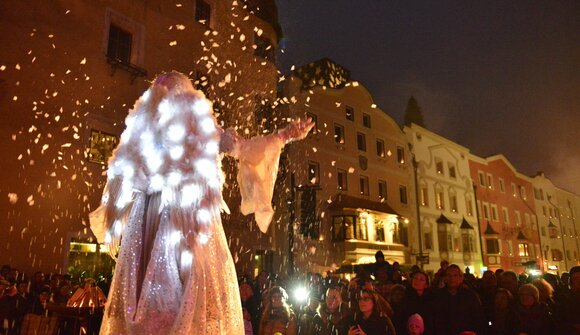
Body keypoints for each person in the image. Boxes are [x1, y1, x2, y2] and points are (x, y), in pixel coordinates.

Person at [89, 72, 314, 335]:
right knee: (162, 291)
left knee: (187, 286)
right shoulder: (145, 134)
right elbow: (121, 176)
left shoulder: (193, 128)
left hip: (186, 221)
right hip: (164, 220)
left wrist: (283, 136)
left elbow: (241, 148)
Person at [432, 264, 486, 335]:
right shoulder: (438, 295)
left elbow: (478, 318)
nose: (452, 278)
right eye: (449, 275)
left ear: (461, 278)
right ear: (445, 278)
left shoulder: (470, 295)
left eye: (455, 275)